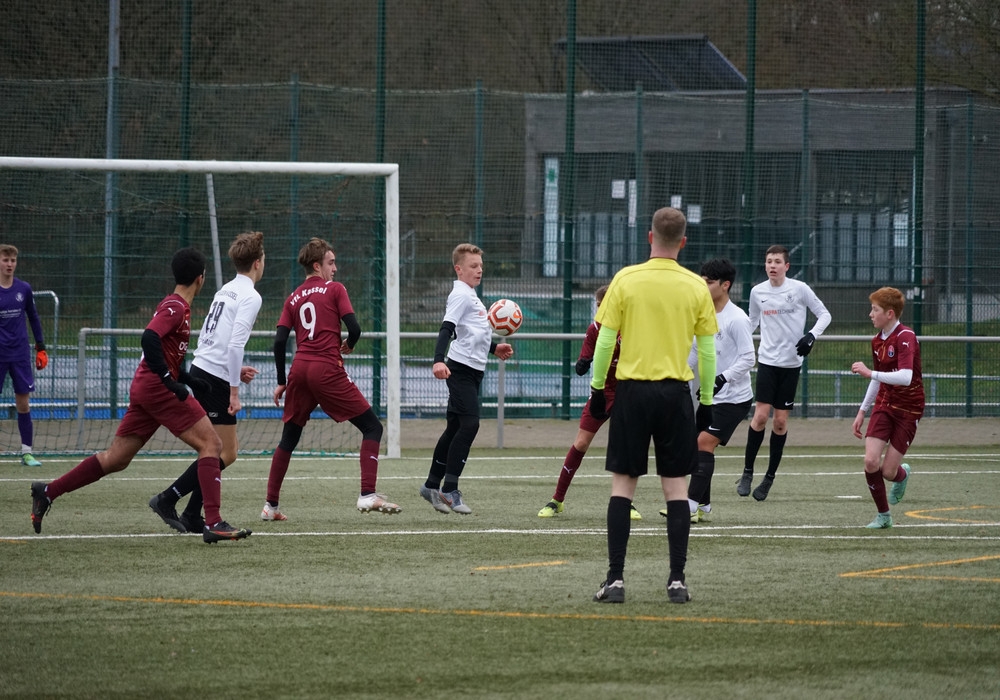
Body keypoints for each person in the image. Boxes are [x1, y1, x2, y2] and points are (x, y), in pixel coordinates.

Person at [30, 248, 251, 543]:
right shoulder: (176, 307)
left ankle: (48, 491)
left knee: (116, 458)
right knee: (212, 444)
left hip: (145, 387)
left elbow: (166, 353)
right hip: (157, 389)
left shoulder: (176, 305)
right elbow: (149, 338)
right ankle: (213, 522)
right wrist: (169, 381)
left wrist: (188, 380)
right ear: (201, 278)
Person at [590, 207, 717, 605]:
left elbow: (605, 340)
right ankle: (677, 581)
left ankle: (615, 580)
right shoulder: (696, 286)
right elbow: (708, 352)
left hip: (632, 393)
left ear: (650, 237)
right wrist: (707, 400)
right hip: (675, 394)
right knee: (676, 487)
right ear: (683, 241)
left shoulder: (626, 279)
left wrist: (597, 387)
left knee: (623, 485)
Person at [264, 237, 400, 518]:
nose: (335, 268)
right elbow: (355, 328)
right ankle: (367, 494)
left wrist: (281, 381)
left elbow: (279, 342)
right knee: (372, 427)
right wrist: (350, 344)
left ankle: (270, 506)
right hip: (326, 368)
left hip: (299, 370)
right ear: (317, 265)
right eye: (331, 262)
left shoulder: (292, 298)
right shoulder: (335, 289)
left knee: (288, 438)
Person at [148, 232, 266, 534]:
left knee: (219, 449)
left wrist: (234, 371)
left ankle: (191, 513)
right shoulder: (251, 296)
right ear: (257, 262)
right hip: (214, 377)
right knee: (223, 452)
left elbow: (214, 338)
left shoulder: (226, 289)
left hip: (204, 368)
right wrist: (234, 392)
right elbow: (235, 345)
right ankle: (168, 498)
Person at [419, 243, 514, 515]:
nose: (479, 270)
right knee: (470, 424)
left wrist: (494, 348)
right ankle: (450, 488)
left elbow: (470, 333)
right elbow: (447, 328)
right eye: (473, 266)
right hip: (460, 370)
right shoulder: (460, 294)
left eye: (480, 266)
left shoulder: (471, 295)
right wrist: (438, 359)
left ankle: (431, 485)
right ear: (458, 269)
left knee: (454, 428)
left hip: (472, 370)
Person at [537, 284, 641, 521]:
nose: (600, 309)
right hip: (601, 392)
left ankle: (627, 503)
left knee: (625, 446)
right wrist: (583, 363)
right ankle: (557, 500)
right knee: (581, 443)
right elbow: (585, 357)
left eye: (603, 305)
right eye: (597, 305)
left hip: (626, 393)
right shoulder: (595, 328)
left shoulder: (631, 329)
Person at [738, 244, 831, 501]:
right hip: (767, 362)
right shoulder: (757, 292)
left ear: (786, 266)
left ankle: (769, 478)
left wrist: (811, 335)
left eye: (777, 261)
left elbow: (824, 315)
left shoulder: (799, 289)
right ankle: (747, 472)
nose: (772, 265)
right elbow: (751, 322)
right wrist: (734, 340)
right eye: (769, 261)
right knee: (760, 417)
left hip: (791, 365)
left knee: (780, 422)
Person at [665, 258, 755, 524]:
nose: (703, 285)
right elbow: (695, 350)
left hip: (734, 399)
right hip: (708, 397)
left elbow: (749, 358)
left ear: (725, 285)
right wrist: (678, 374)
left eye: (709, 281)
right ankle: (704, 504)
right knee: (697, 446)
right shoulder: (701, 314)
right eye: (702, 280)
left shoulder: (737, 319)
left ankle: (689, 506)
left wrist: (722, 379)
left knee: (703, 443)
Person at [851, 287, 923, 529]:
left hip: (909, 408)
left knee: (888, 472)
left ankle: (902, 475)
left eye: (875, 310)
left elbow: (905, 377)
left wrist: (870, 372)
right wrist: (862, 411)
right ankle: (884, 516)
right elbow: (878, 379)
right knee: (871, 461)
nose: (870, 314)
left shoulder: (906, 337)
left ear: (889, 313)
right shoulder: (877, 341)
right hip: (885, 404)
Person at [0, 244, 47, 467]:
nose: (9, 264)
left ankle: (27, 453)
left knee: (23, 404)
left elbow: (34, 317)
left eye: (13, 260)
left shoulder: (24, 289)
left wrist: (41, 347)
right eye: (5, 260)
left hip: (19, 354)